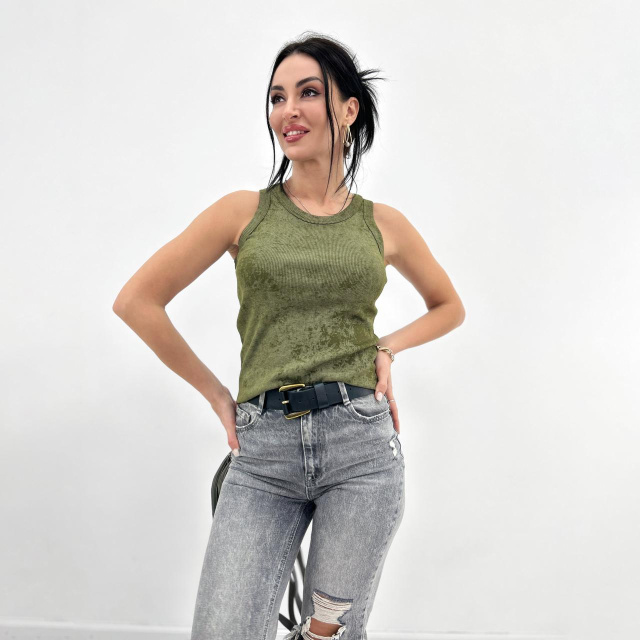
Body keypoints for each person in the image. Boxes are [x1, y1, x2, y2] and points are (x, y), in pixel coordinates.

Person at [113, 31, 465, 640]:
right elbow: (137, 301)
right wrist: (218, 395)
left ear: (348, 109)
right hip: (263, 455)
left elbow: (448, 306)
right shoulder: (243, 213)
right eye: (277, 97)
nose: (288, 111)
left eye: (307, 93)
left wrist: (388, 347)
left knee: (328, 635)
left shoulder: (383, 225)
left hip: (361, 452)